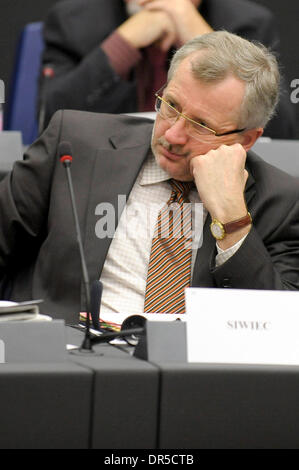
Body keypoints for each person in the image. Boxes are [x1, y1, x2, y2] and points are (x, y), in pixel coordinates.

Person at [1, 31, 299, 324]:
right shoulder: (74, 143)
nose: (172, 134)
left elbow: (279, 327)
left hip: (190, 368)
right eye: (171, 106)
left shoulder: (280, 201)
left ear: (246, 140)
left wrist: (233, 220)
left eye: (201, 125)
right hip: (70, 354)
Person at [38, 0, 296, 139]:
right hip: (106, 167)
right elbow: (50, 119)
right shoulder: (74, 18)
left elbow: (281, 131)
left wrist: (207, 40)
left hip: (206, 165)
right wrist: (121, 45)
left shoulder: (247, 22)